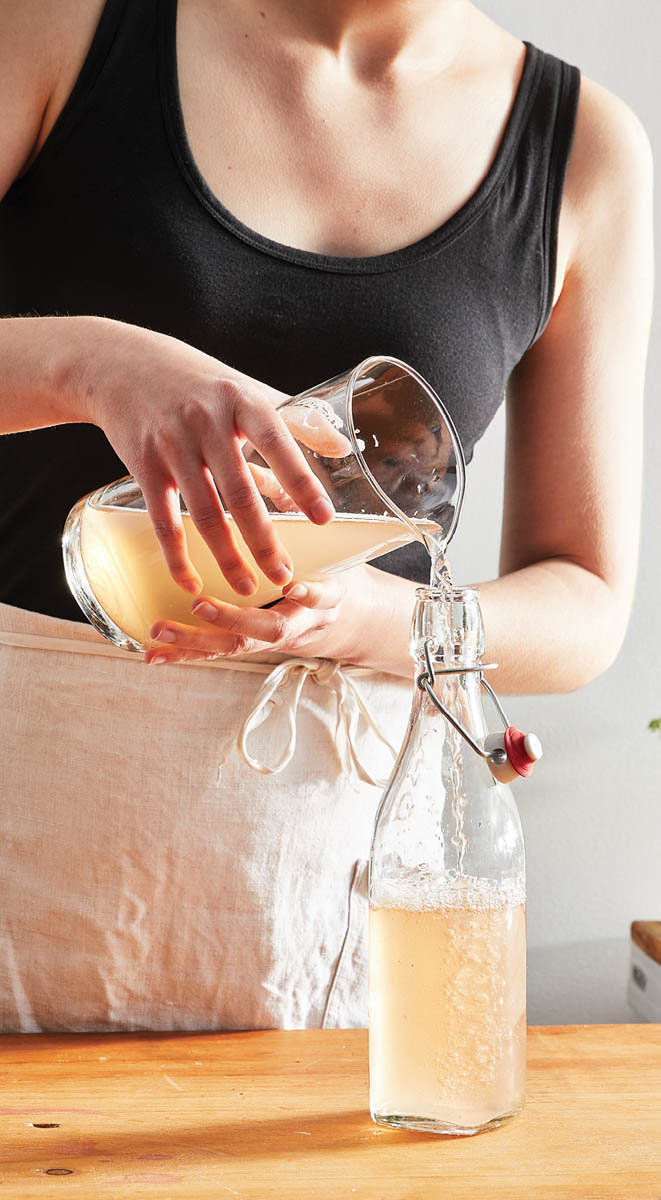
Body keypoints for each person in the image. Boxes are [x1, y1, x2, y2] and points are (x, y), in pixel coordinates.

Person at [0, 0, 652, 1031]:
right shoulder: (60, 29)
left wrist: (370, 624)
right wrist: (94, 362)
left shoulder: (584, 150)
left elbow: (585, 601)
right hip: (28, 807)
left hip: (322, 882)